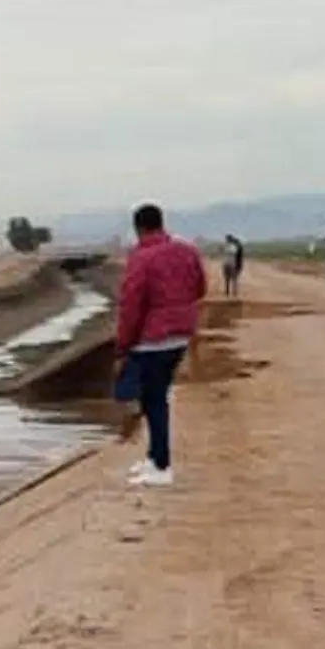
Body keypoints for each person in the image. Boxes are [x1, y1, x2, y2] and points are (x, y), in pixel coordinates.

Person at [114, 203, 207, 487]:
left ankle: (162, 466)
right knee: (157, 396)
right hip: (180, 335)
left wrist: (122, 345)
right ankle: (154, 458)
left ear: (138, 228)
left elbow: (131, 305)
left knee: (150, 400)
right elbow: (200, 287)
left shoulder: (141, 258)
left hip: (152, 340)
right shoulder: (187, 250)